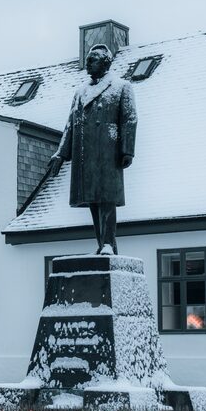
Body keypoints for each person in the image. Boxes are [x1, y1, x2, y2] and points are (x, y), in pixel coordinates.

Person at [47, 43, 137, 254]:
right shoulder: (80, 92)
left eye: (92, 60)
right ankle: (102, 244)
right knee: (94, 202)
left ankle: (108, 244)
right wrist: (60, 153)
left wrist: (127, 150)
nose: (87, 64)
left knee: (107, 199)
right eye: (87, 60)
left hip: (108, 151)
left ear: (105, 62)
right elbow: (71, 124)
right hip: (85, 154)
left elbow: (130, 119)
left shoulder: (121, 86)